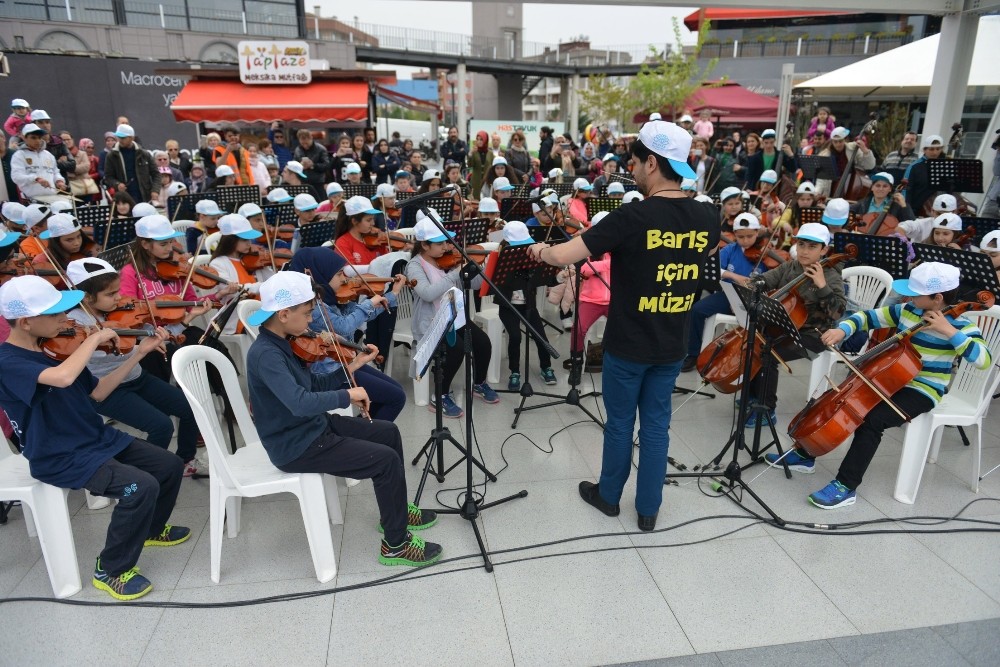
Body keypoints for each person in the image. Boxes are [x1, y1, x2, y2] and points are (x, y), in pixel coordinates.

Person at [529, 120, 718, 531]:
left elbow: (564, 256)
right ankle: (648, 509)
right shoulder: (708, 217)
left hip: (628, 343)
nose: (631, 169)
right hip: (671, 343)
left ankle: (609, 496)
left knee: (619, 424)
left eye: (634, 162)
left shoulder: (632, 216)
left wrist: (539, 249)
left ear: (652, 162)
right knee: (655, 426)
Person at [0, 275, 190, 600]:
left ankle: (151, 529)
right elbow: (61, 379)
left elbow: (98, 393)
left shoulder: (57, 351)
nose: (66, 319)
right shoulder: (9, 362)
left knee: (169, 465)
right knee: (138, 488)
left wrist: (138, 354)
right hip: (58, 455)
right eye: (56, 314)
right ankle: (110, 569)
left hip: (95, 439)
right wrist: (95, 337)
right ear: (27, 321)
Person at [245, 271, 441, 566]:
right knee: (384, 460)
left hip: (313, 428)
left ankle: (396, 510)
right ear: (284, 314)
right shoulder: (267, 355)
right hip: (296, 445)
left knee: (388, 432)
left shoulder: (285, 341)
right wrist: (347, 396)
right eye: (308, 313)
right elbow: (299, 404)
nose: (311, 321)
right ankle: (396, 545)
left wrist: (349, 368)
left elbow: (312, 387)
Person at [770, 262, 991, 508]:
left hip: (923, 389)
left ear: (937, 298)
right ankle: (806, 453)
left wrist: (949, 331)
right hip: (888, 378)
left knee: (872, 419)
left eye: (915, 293)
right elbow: (866, 317)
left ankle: (846, 485)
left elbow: (984, 360)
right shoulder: (909, 310)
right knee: (839, 397)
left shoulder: (963, 326)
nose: (908, 296)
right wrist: (843, 330)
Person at [65, 257, 205, 476]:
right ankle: (147, 476)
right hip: (108, 389)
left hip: (136, 377)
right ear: (86, 296)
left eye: (118, 291)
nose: (119, 298)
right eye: (111, 294)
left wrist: (181, 323)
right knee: (161, 426)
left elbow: (156, 336)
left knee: (190, 407)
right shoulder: (75, 323)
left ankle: (185, 459)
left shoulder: (124, 311)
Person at [747, 223, 846, 429]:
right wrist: (757, 284)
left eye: (812, 247)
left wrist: (822, 286)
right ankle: (752, 395)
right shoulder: (790, 266)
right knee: (752, 343)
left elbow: (837, 313)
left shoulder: (831, 275)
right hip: (784, 326)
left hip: (814, 334)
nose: (804, 251)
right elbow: (765, 279)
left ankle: (767, 409)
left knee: (769, 353)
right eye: (801, 245)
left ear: (824, 250)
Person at [287, 248, 406, 414]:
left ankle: (368, 431)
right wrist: (368, 304)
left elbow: (359, 316)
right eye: (339, 274)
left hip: (347, 361)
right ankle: (367, 435)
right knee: (396, 397)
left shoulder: (333, 298)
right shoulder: (314, 307)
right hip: (331, 372)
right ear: (320, 276)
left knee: (397, 390)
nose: (346, 279)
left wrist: (392, 294)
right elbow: (344, 326)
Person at [406, 213, 499, 418]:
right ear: (425, 245)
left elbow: (474, 285)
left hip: (455, 317)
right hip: (432, 322)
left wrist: (476, 270)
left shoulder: (447, 261)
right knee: (456, 348)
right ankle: (440, 394)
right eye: (440, 243)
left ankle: (480, 383)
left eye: (447, 242)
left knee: (483, 343)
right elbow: (428, 293)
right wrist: (454, 274)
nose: (447, 247)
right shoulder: (414, 266)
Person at [682, 211, 767, 372]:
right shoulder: (730, 249)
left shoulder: (765, 253)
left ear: (757, 232)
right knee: (697, 310)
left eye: (750, 236)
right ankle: (693, 353)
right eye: (741, 237)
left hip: (753, 298)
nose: (745, 240)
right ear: (735, 234)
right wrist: (733, 276)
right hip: (729, 293)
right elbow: (714, 268)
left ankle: (751, 359)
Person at [487, 220, 557, 390]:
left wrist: (559, 278)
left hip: (529, 306)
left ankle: (546, 367)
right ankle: (515, 371)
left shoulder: (532, 258)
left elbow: (546, 278)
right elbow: (492, 283)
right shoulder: (500, 259)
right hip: (508, 307)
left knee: (541, 336)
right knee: (515, 337)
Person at [208, 214, 265, 334]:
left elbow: (269, 279)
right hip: (239, 318)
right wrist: (262, 286)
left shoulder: (251, 260)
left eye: (249, 239)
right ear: (231, 240)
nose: (249, 243)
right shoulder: (218, 263)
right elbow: (235, 291)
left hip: (260, 311)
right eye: (244, 240)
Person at [103, 124, 159, 205]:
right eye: (118, 137)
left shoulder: (144, 154)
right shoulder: (111, 156)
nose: (120, 140)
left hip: (144, 196)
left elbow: (156, 174)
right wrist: (117, 184)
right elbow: (108, 177)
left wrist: (155, 190)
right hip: (124, 198)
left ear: (132, 138)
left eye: (123, 138)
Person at [10, 123, 65, 201]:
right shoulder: (19, 155)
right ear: (24, 138)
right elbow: (16, 177)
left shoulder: (48, 155)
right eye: (33, 138)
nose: (38, 141)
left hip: (52, 196)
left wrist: (59, 181)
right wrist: (36, 179)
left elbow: (56, 172)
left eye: (39, 138)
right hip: (31, 199)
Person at [817, 126, 876, 198]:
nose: (838, 144)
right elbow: (821, 179)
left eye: (840, 141)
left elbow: (870, 166)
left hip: (851, 187)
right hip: (831, 189)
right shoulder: (824, 155)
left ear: (845, 139)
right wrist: (817, 192)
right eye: (835, 142)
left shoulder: (854, 148)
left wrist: (865, 151)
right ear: (832, 141)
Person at [849, 171, 915, 228]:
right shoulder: (863, 203)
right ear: (872, 188)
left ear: (890, 189)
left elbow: (912, 226)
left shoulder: (897, 206)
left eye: (885, 186)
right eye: (877, 185)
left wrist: (904, 206)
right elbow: (847, 211)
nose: (881, 189)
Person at [293, 129, 331, 199]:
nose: (305, 145)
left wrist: (313, 165)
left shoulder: (321, 149)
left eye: (306, 143)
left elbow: (326, 166)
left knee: (319, 204)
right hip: (302, 182)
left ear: (311, 138)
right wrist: (300, 166)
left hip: (318, 183)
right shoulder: (297, 150)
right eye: (302, 143)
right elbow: (294, 166)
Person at [467, 131, 490, 199]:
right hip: (476, 182)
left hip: (487, 182)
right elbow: (469, 165)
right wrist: (470, 153)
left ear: (485, 140)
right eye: (477, 139)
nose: (479, 141)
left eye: (481, 139)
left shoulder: (490, 153)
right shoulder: (474, 152)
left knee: (486, 201)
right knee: (475, 201)